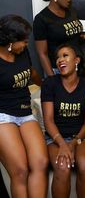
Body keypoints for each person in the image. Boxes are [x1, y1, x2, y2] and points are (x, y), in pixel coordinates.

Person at [0, 14, 48, 198]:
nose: (27, 45)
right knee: (20, 169)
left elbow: (32, 72)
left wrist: (47, 86)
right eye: (23, 41)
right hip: (3, 115)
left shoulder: (22, 53)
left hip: (25, 112)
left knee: (40, 162)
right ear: (11, 41)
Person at [41, 43, 85, 198]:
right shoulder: (50, 84)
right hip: (55, 137)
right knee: (62, 166)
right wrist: (63, 144)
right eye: (57, 57)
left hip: (80, 137)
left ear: (77, 60)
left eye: (65, 55)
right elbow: (48, 120)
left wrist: (73, 143)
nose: (60, 60)